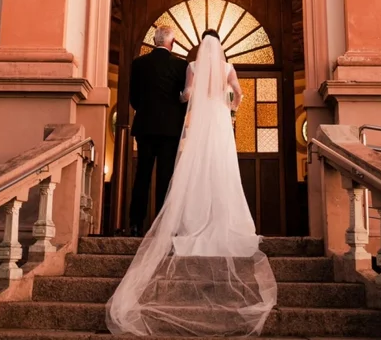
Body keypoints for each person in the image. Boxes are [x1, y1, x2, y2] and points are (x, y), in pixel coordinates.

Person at [107, 32, 277, 337]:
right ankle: (216, 221)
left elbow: (183, 94)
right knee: (219, 172)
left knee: (170, 175)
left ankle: (142, 225)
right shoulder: (224, 68)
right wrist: (230, 107)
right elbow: (238, 95)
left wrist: (188, 98)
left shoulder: (190, 66)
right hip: (217, 125)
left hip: (174, 126)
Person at [129, 26, 188, 237]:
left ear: (155, 41)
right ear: (171, 43)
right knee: (166, 176)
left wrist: (146, 110)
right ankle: (163, 225)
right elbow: (184, 98)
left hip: (145, 127)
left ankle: (135, 224)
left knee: (142, 175)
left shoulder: (139, 64)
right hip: (170, 130)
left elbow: (133, 98)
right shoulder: (180, 65)